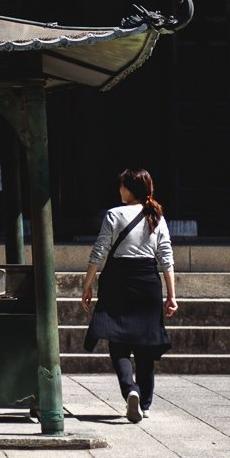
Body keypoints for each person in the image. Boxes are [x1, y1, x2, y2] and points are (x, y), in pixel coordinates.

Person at [81, 168, 177, 424]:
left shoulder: (114, 214)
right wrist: (172, 295)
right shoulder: (156, 216)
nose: (119, 190)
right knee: (146, 343)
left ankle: (130, 389)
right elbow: (165, 257)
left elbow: (99, 252)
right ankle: (145, 404)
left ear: (130, 188)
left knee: (118, 340)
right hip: (148, 281)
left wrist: (87, 285)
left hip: (118, 281)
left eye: (122, 186)